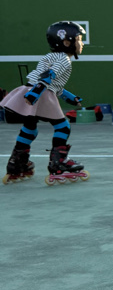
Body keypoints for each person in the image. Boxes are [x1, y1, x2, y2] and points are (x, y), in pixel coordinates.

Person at [1, 21, 87, 184]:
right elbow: (48, 77)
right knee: (63, 127)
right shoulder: (64, 60)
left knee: (29, 128)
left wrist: (71, 97)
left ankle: (16, 164)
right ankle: (58, 163)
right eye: (79, 39)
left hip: (30, 89)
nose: (81, 43)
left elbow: (53, 84)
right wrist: (35, 94)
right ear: (66, 43)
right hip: (39, 92)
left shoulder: (50, 56)